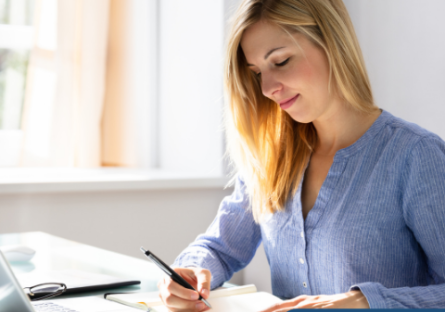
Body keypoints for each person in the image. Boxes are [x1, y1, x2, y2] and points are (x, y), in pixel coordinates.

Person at [157, 0, 445, 310]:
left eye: (280, 61)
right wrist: (188, 274)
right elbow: (218, 248)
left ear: (331, 42)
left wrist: (363, 302)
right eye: (256, 73)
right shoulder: (269, 157)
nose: (267, 88)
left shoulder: (416, 156)